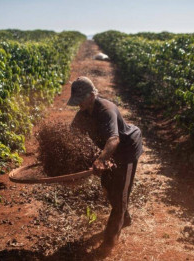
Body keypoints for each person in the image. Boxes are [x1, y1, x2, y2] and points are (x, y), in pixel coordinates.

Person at [67, 76, 143, 254]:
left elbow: (114, 139)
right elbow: (70, 136)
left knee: (120, 196)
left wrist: (100, 160)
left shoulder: (106, 110)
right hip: (109, 152)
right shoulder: (83, 114)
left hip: (126, 150)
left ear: (92, 95)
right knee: (108, 188)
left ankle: (108, 243)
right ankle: (125, 217)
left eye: (81, 100)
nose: (78, 104)